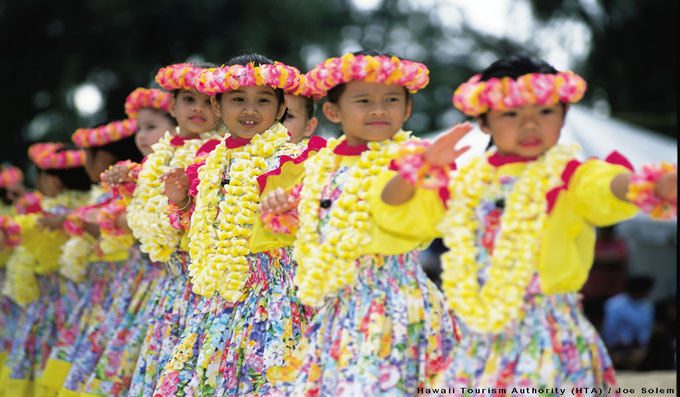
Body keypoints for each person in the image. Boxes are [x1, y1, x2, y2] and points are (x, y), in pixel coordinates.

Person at [376, 54, 677, 393]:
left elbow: (610, 185)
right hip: (478, 337)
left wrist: (652, 185)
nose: (530, 124)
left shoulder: (570, 176)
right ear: (484, 123)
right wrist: (422, 165)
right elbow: (394, 209)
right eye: (511, 113)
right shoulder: (466, 184)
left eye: (545, 111)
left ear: (564, 116)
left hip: (549, 333)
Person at [259, 50, 458, 395]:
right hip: (338, 305)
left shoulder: (412, 157)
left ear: (407, 109)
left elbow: (402, 208)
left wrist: (417, 171)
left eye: (391, 100)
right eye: (363, 100)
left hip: (394, 301)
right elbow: (314, 227)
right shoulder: (323, 164)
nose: (379, 109)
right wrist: (283, 207)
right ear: (334, 111)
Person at [152, 53, 320, 396]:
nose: (249, 110)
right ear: (217, 106)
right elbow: (200, 228)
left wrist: (292, 207)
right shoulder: (211, 163)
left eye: (263, 100)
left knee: (267, 379)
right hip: (221, 294)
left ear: (280, 108)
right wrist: (184, 201)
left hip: (276, 292)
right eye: (238, 100)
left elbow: (322, 210)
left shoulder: (297, 157)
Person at [124, 62, 224, 397]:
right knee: (162, 364)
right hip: (171, 283)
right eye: (188, 100)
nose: (198, 108)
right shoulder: (161, 155)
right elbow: (145, 212)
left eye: (208, 101)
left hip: (207, 283)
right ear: (172, 106)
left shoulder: (223, 152)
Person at [78, 87, 176, 397]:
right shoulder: (142, 176)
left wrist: (122, 220)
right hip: (150, 285)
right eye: (140, 129)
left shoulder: (184, 171)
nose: (143, 137)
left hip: (165, 282)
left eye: (151, 127)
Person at [40, 118, 145, 397]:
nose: (85, 162)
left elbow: (115, 229)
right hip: (104, 289)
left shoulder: (127, 190)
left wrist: (73, 219)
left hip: (127, 286)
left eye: (88, 154)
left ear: (107, 156)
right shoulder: (102, 194)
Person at [0, 143, 91, 397]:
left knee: (46, 369)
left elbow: (16, 229)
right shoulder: (94, 208)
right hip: (89, 301)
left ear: (50, 179)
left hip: (53, 305)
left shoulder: (50, 217)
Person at [581, 225, 629, 331]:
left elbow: (620, 258)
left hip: (612, 293)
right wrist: (609, 258)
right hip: (593, 293)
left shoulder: (619, 243)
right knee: (591, 323)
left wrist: (597, 258)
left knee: (610, 325)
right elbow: (586, 258)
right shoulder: (593, 242)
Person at [602, 275, 655, 370]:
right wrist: (611, 352)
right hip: (616, 348)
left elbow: (646, 329)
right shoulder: (615, 304)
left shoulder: (647, 305)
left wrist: (642, 350)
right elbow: (610, 329)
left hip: (637, 348)